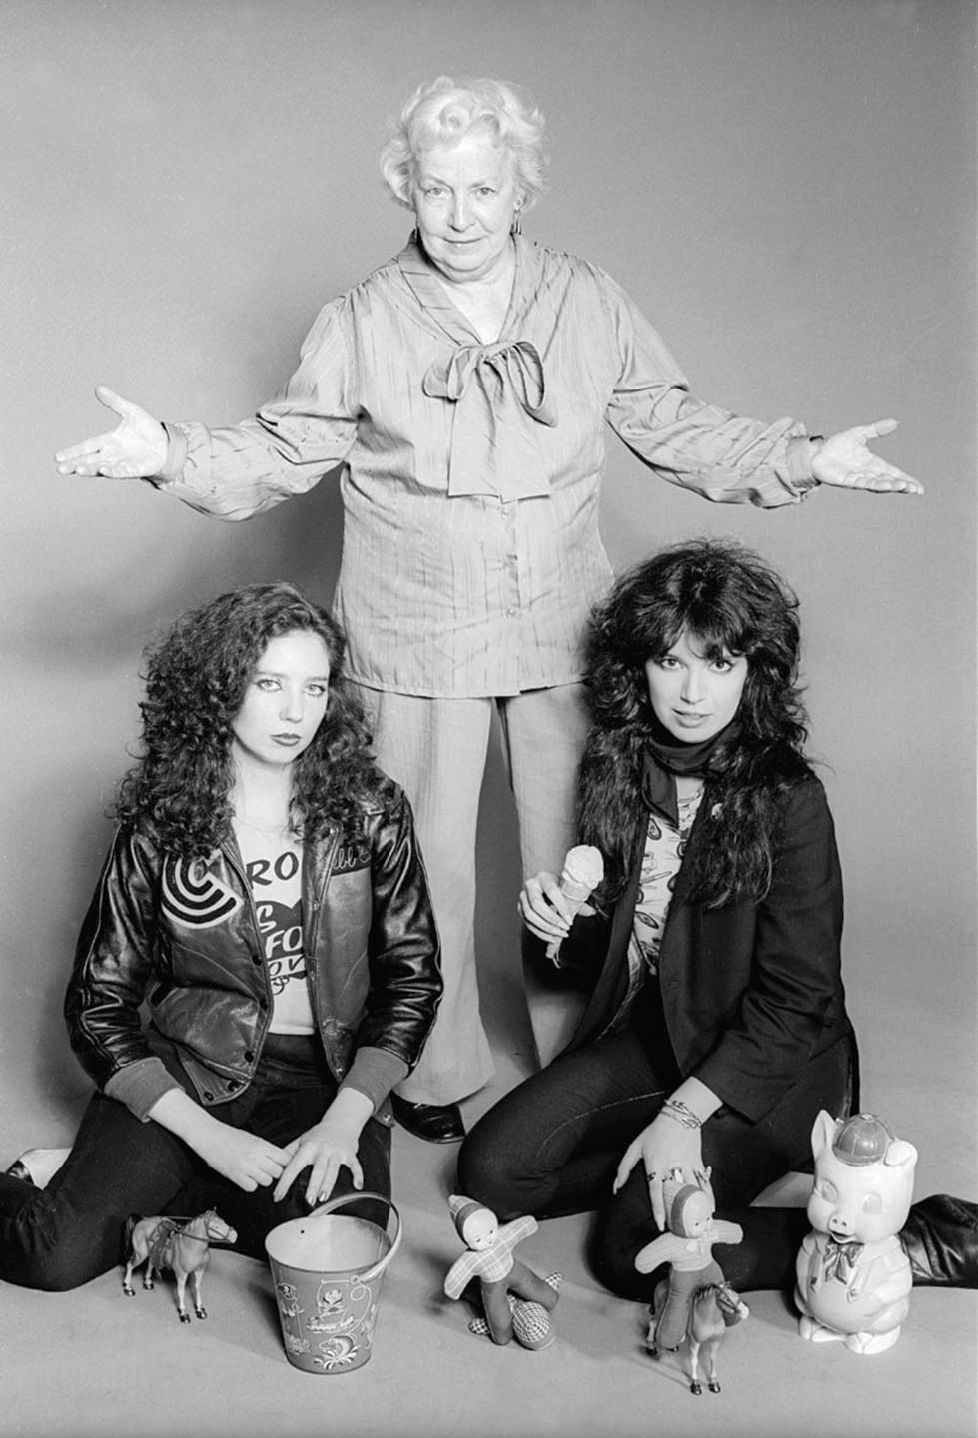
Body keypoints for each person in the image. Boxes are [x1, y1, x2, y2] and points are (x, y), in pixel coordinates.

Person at [54, 76, 923, 1144]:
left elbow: (671, 420)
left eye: (482, 189)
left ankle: (583, 1061)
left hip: (563, 623)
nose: (459, 215)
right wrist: (172, 455)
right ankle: (429, 1066)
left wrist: (805, 457)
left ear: (522, 190)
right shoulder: (363, 319)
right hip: (413, 627)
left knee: (583, 860)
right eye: (434, 190)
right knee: (429, 870)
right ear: (405, 192)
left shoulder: (589, 299)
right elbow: (284, 446)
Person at [456, 538, 977, 1303]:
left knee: (635, 1247)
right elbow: (637, 954)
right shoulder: (619, 767)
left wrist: (682, 1116)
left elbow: (798, 1003)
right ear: (639, 667)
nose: (692, 692)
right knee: (493, 1171)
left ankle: (885, 1240)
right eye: (671, 662)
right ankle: (671, 1172)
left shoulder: (788, 799)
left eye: (718, 663)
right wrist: (565, 931)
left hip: (769, 1069)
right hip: (660, 1037)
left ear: (752, 671)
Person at [0, 582, 442, 1290]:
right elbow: (97, 1004)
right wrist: (206, 1135)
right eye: (270, 684)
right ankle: (89, 1180)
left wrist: (343, 1121)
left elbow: (413, 979)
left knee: (338, 1252)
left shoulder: (371, 808)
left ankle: (114, 1177)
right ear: (222, 686)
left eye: (315, 687)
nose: (296, 711)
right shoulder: (164, 817)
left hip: (322, 1077)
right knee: (56, 1256)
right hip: (195, 1067)